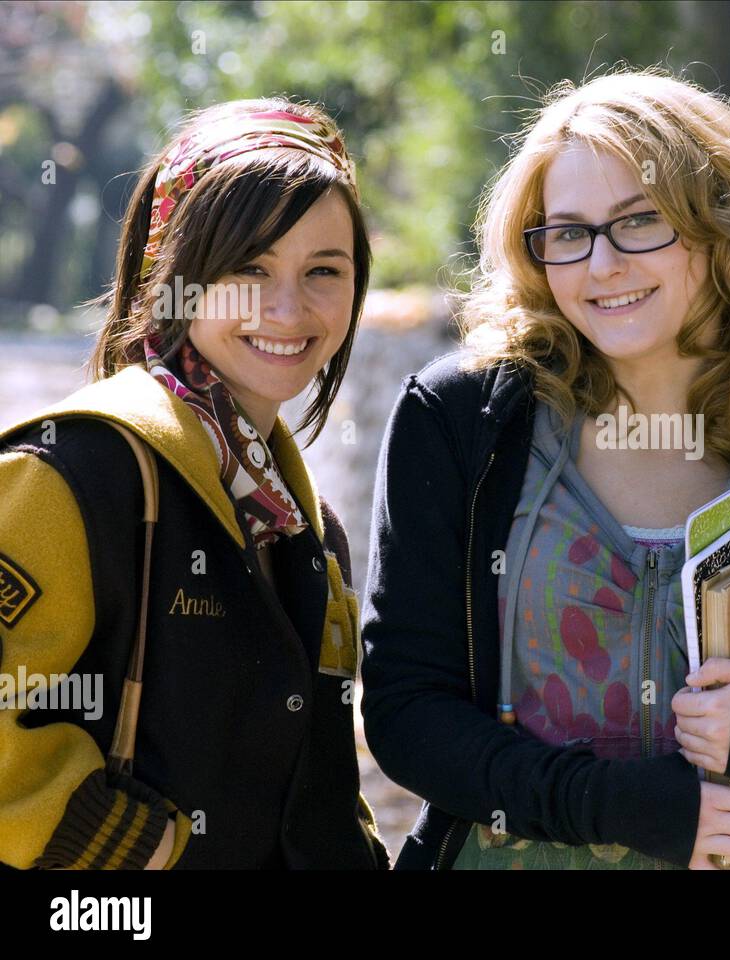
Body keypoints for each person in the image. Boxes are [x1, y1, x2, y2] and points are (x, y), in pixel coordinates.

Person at [361, 69, 730, 870]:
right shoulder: (464, 422)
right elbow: (406, 714)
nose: (601, 265)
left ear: (722, 227)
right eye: (567, 232)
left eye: (639, 222)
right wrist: (634, 807)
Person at [0, 98, 387, 869]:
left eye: (323, 271)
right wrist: (144, 856)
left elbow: (314, 776)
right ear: (172, 274)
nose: (287, 307)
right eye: (250, 267)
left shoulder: (307, 525)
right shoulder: (72, 473)